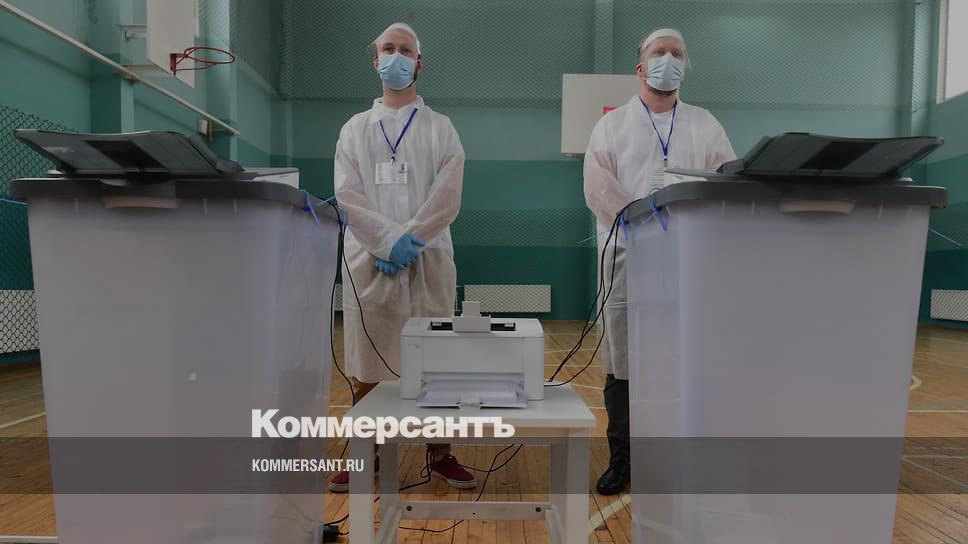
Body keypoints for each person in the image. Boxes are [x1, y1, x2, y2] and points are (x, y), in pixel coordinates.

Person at [583, 28, 736, 495]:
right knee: (623, 361)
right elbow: (598, 186)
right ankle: (623, 460)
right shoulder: (611, 126)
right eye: (659, 52)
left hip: (689, 261)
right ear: (641, 66)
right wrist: (641, 222)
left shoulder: (706, 125)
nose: (668, 59)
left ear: (685, 67)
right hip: (627, 259)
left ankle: (678, 458)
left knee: (684, 359)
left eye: (677, 53)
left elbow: (727, 182)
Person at [329, 22, 475, 492]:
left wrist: (409, 240)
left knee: (436, 360)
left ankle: (440, 453)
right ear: (376, 61)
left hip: (427, 259)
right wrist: (387, 242)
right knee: (367, 362)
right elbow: (348, 197)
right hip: (370, 262)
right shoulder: (355, 129)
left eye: (405, 50)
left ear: (419, 62)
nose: (396, 56)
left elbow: (447, 195)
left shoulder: (441, 128)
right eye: (388, 49)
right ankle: (365, 454)